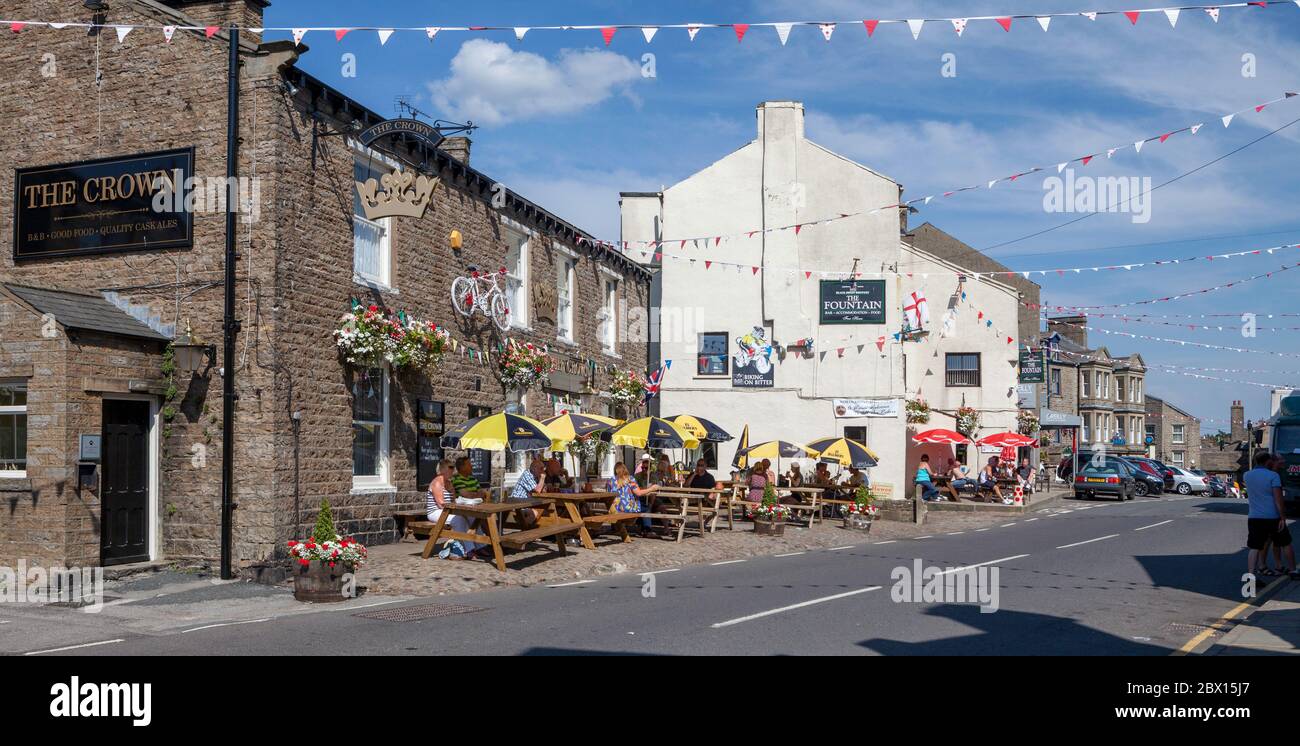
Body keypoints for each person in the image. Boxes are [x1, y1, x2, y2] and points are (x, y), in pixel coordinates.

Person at [1245, 451, 1298, 579]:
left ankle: (1251, 575)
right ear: (1268, 461)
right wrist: (1282, 516)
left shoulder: (1247, 475)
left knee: (1254, 547)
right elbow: (1278, 499)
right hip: (1273, 517)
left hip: (1254, 517)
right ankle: (1293, 571)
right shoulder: (1273, 476)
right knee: (1286, 543)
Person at [426, 459, 483, 560]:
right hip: (435, 512)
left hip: (447, 510)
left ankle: (481, 546)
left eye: (453, 468)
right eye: (450, 468)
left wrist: (453, 494)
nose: (453, 470)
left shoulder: (448, 482)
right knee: (459, 519)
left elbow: (452, 501)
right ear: (442, 469)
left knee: (472, 517)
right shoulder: (437, 483)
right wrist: (456, 506)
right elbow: (441, 504)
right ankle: (469, 549)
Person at [607, 462, 660, 536]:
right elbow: (639, 493)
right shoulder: (630, 479)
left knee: (641, 505)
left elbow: (609, 494)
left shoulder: (610, 481)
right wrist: (652, 488)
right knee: (646, 508)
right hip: (628, 508)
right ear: (625, 469)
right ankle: (647, 530)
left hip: (615, 509)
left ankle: (615, 527)